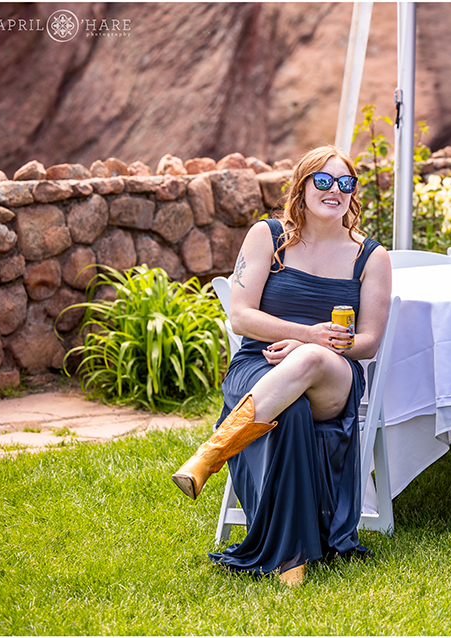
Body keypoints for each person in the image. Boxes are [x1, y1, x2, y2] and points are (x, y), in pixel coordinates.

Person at [171, 146, 391, 586]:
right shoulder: (267, 236)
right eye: (323, 181)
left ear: (354, 194)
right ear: (302, 186)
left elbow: (368, 342)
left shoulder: (372, 256)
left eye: (345, 183)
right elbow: (241, 316)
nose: (335, 191)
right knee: (289, 411)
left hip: (334, 373)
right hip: (259, 365)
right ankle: (292, 562)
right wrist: (308, 332)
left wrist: (315, 344)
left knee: (310, 359)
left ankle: (213, 451)